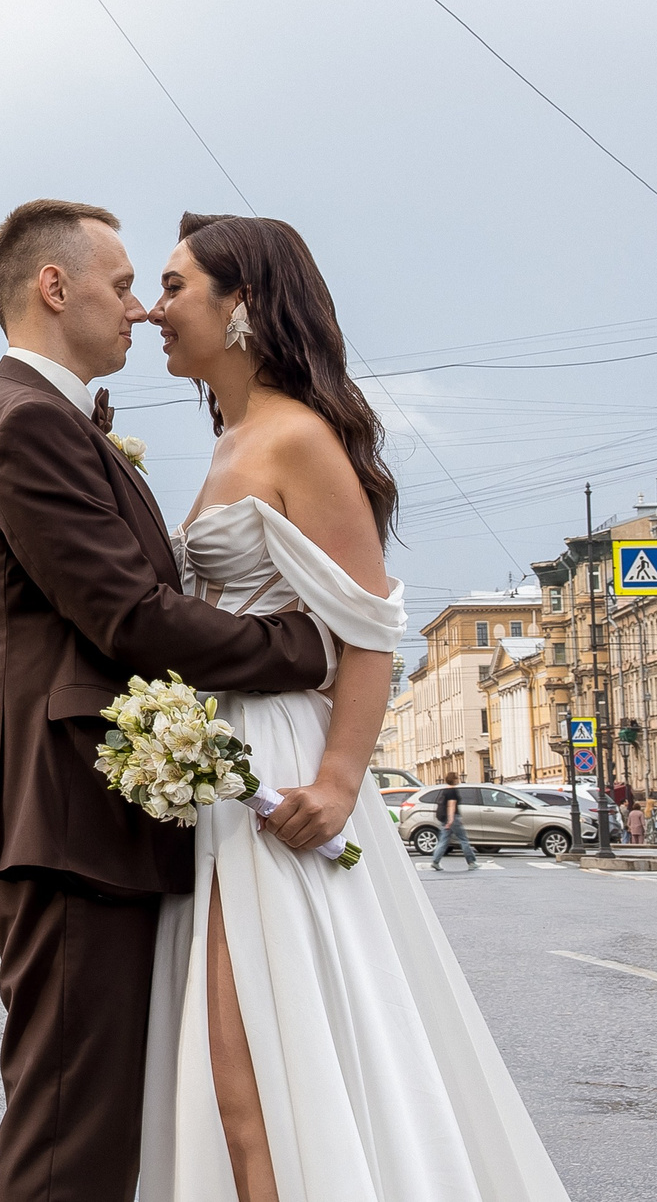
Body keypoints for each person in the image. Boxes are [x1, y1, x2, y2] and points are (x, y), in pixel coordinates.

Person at [136, 212, 566, 1200]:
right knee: (227, 1060)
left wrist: (336, 782)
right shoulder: (236, 438)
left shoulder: (298, 439)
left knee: (255, 1061)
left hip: (278, 770)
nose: (155, 311)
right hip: (224, 769)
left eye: (174, 287)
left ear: (240, 304)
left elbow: (370, 629)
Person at [0, 201, 336, 1202]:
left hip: (77, 818)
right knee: (71, 1135)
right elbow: (127, 615)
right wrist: (295, 647)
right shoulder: (26, 421)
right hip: (66, 815)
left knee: (95, 1123)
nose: (140, 311)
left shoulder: (35, 417)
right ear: (53, 287)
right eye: (122, 285)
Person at [432, 785, 478, 872]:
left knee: (443, 840)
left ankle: (435, 861)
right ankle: (471, 862)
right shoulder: (452, 791)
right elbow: (451, 805)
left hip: (445, 818)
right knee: (463, 839)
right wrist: (451, 820)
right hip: (453, 818)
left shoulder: (445, 791)